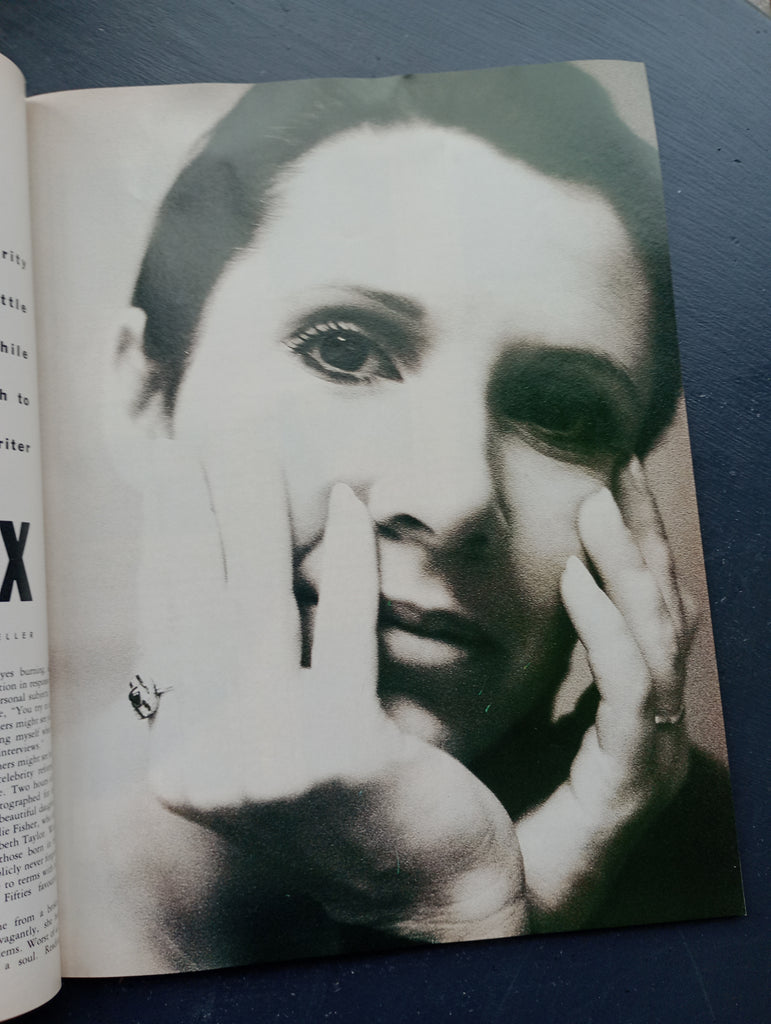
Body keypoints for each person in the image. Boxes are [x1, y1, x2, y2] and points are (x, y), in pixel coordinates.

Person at [89, 63, 741, 973]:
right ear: (145, 396)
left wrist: (466, 916)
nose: (453, 496)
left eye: (560, 411)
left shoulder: (723, 868)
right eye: (342, 350)